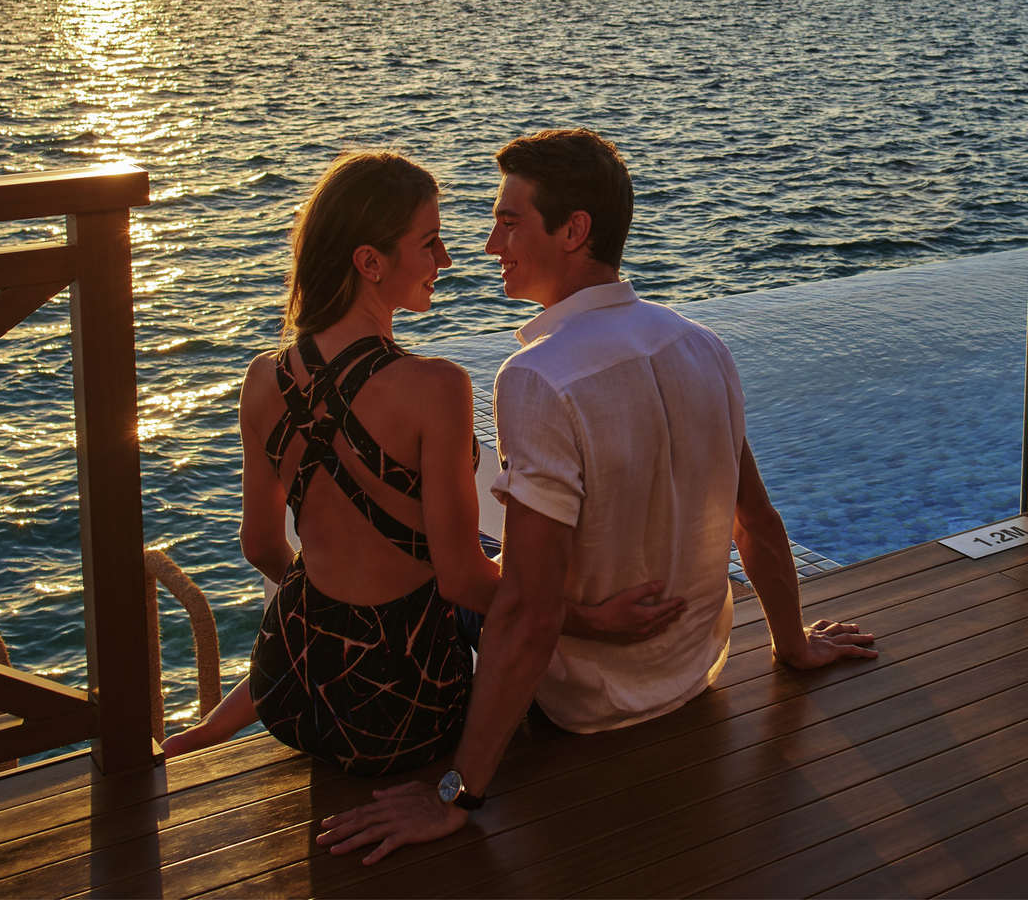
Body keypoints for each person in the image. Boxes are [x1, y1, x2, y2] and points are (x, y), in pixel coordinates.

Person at [321, 129, 875, 860]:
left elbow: (528, 608)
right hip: (690, 674)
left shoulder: (537, 379)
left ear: (573, 231)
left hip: (584, 703)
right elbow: (756, 522)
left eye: (509, 222)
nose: (489, 245)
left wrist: (456, 792)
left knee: (432, 564)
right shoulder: (703, 346)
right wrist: (792, 646)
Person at [163, 150, 682, 774]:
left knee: (370, 580)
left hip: (290, 690)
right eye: (430, 243)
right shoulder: (436, 388)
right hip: (399, 712)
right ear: (370, 262)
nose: (447, 260)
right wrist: (594, 621)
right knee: (505, 573)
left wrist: (342, 586)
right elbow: (463, 582)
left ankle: (209, 729)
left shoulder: (261, 379)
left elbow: (260, 546)